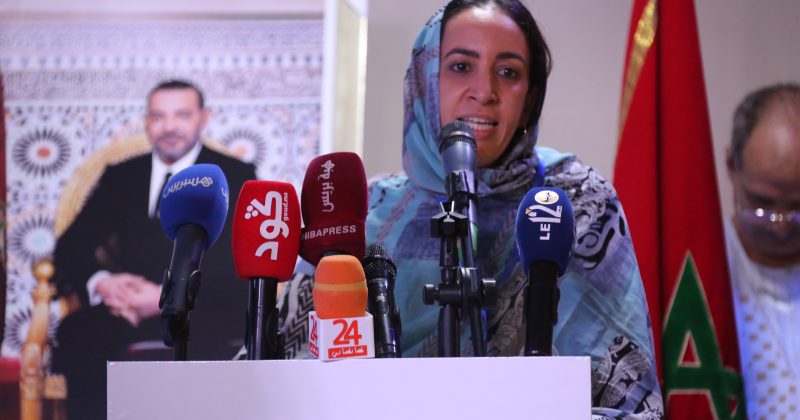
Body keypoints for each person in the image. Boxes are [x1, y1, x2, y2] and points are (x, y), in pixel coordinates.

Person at [277, 1, 662, 418]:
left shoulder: (574, 199)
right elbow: (279, 380)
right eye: (461, 66)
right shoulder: (365, 213)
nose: (485, 91)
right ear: (425, 81)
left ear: (530, 98)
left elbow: (627, 402)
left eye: (508, 72)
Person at [51, 79, 256, 419]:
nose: (170, 126)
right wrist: (104, 284)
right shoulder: (122, 176)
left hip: (204, 310)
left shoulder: (235, 175)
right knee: (78, 331)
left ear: (204, 118)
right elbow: (71, 246)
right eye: (159, 116)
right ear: (146, 121)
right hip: (128, 311)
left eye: (182, 115)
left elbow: (238, 261)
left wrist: (167, 295)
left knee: (207, 341)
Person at [724, 83, 800, 419]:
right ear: (731, 166)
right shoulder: (699, 270)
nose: (780, 226)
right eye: (762, 203)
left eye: (797, 207)